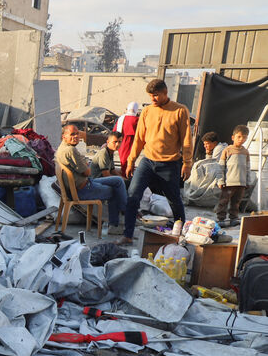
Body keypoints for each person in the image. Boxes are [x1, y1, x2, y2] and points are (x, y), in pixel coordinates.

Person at [120, 79, 193, 245]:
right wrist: (131, 160)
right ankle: (128, 235)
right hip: (147, 162)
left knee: (174, 200)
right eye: (150, 96)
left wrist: (187, 163)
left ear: (165, 93)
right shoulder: (147, 111)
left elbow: (187, 140)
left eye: (155, 95)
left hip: (169, 164)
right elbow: (139, 138)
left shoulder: (180, 111)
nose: (152, 99)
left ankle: (180, 235)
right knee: (133, 195)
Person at [56, 124, 128, 235]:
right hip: (83, 189)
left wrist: (85, 164)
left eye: (77, 134)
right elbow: (87, 172)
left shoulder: (62, 148)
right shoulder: (70, 150)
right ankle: (119, 220)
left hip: (86, 183)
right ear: (64, 136)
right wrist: (85, 164)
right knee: (115, 191)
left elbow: (88, 169)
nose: (76, 136)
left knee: (118, 181)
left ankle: (124, 210)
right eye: (72, 134)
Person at [215, 125, 250, 227]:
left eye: (244, 137)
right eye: (239, 136)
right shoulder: (227, 150)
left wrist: (247, 182)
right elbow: (220, 167)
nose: (241, 139)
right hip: (229, 183)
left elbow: (248, 168)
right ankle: (221, 219)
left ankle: (233, 218)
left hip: (241, 183)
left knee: (236, 202)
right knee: (224, 201)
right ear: (233, 137)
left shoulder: (245, 152)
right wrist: (220, 180)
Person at [114, 101, 139, 176]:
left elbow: (114, 131)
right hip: (130, 143)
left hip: (121, 142)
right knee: (129, 161)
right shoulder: (136, 120)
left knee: (123, 161)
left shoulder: (121, 118)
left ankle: (125, 176)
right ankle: (127, 178)